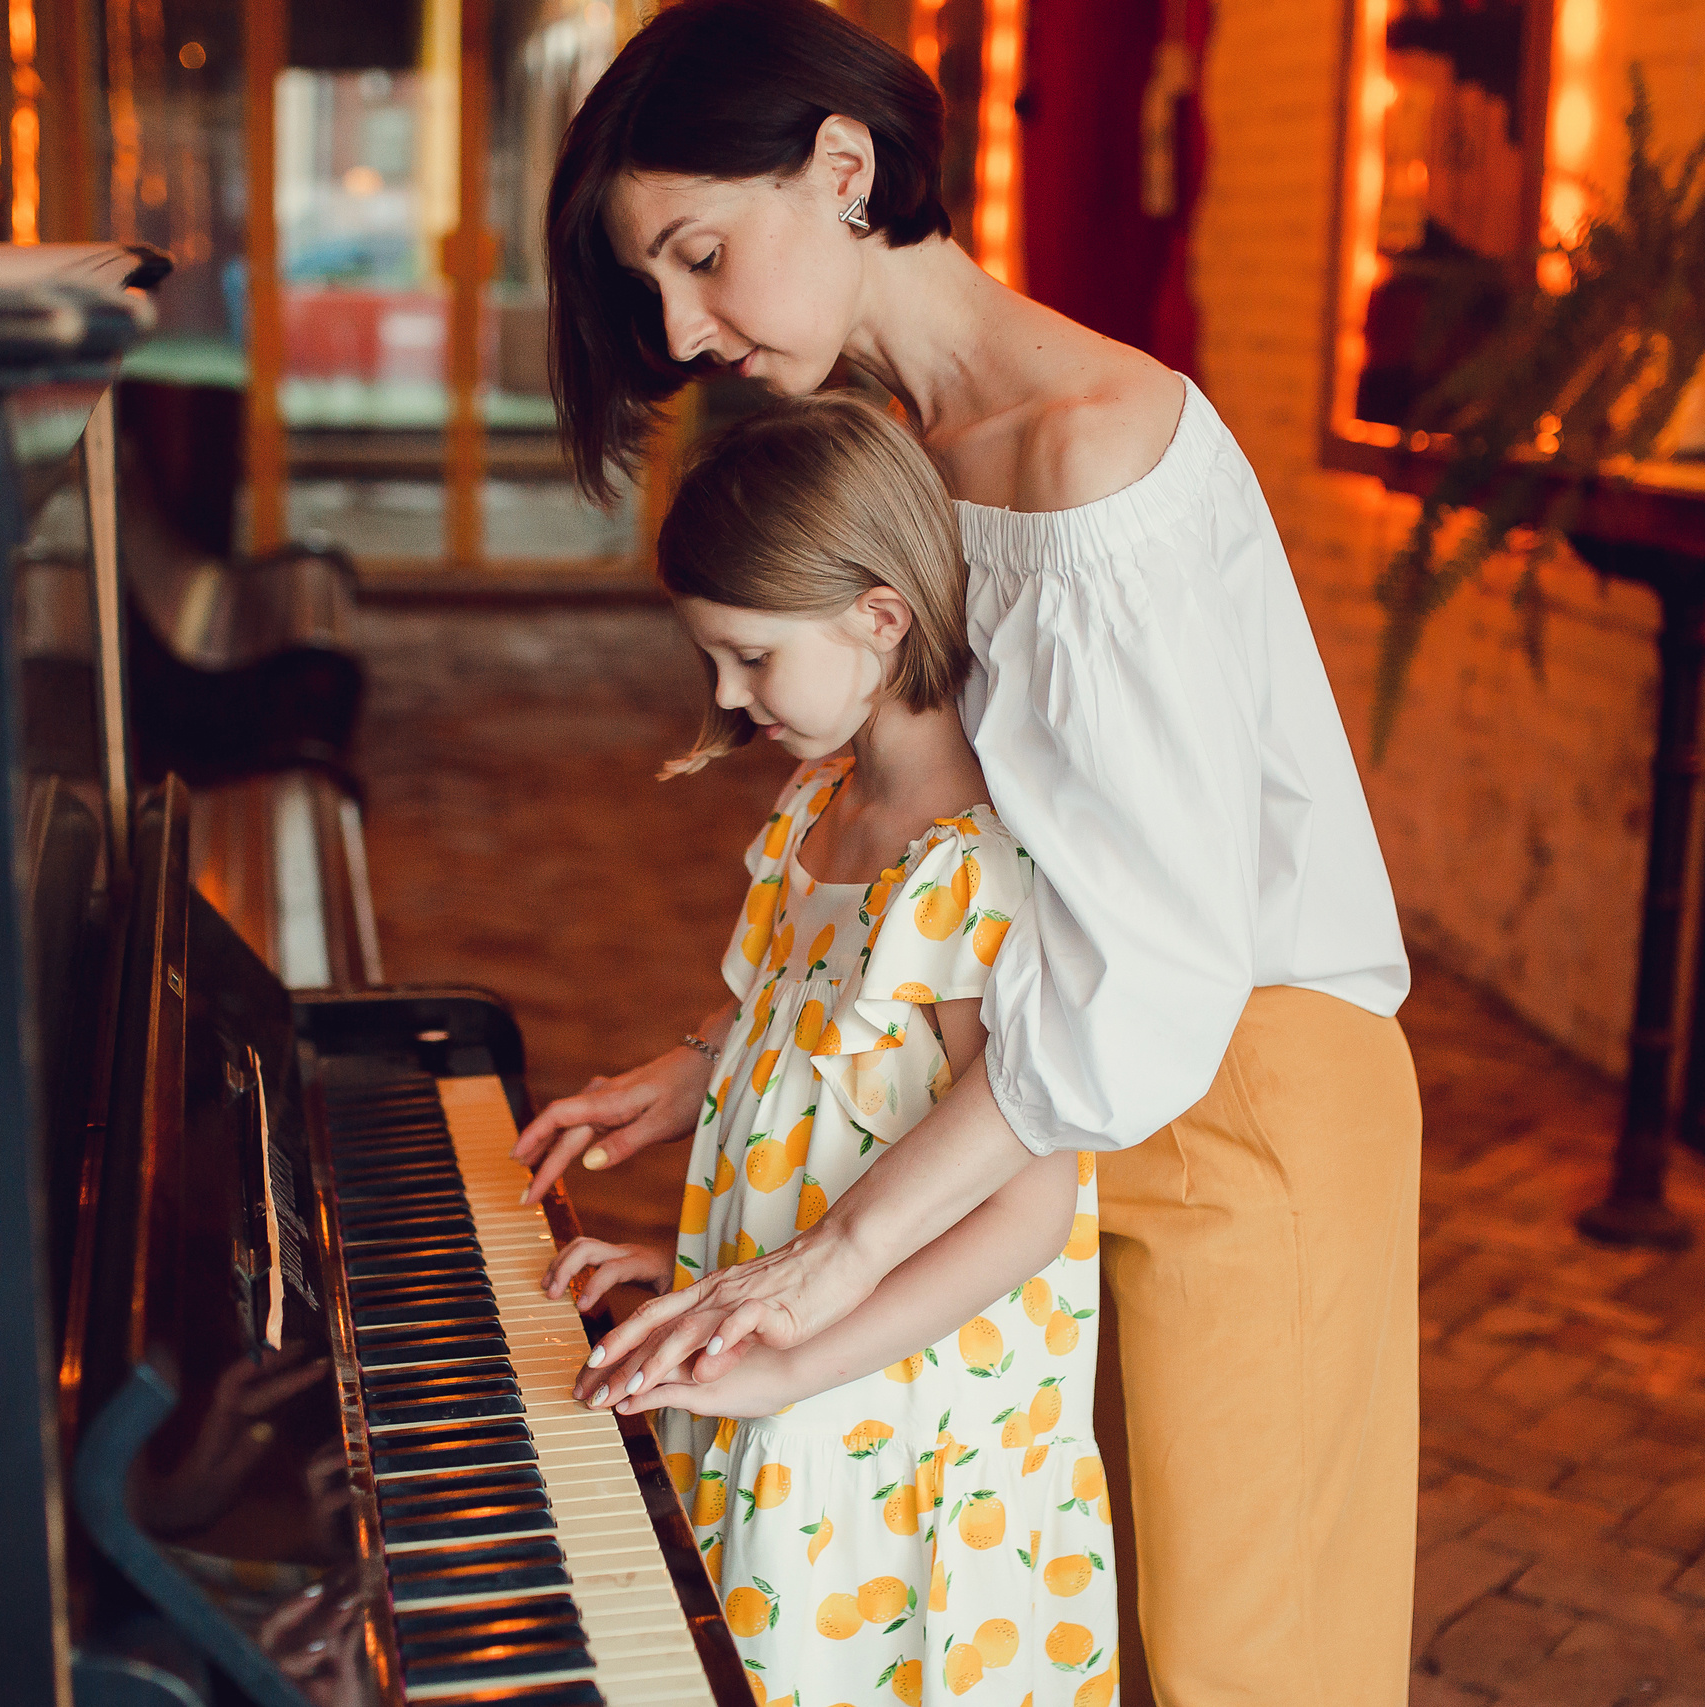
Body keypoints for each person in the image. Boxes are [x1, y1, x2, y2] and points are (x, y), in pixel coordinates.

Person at [515, 2, 1422, 1702]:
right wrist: (722, 1073)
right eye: (652, 285)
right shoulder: (923, 459)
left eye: (699, 255)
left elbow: (1155, 970)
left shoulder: (1093, 450)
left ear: (841, 168)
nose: (682, 326)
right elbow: (962, 883)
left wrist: (840, 1252)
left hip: (1238, 1096)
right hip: (1034, 1093)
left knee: (1250, 1668)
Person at [542, 391, 1116, 1706]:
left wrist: (791, 1364)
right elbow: (809, 1069)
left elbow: (1027, 1210)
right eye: (714, 660)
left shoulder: (975, 871)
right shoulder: (822, 804)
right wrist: (700, 1259)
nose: (727, 696)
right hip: (794, 1362)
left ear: (880, 617)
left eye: (751, 656)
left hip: (897, 1421)